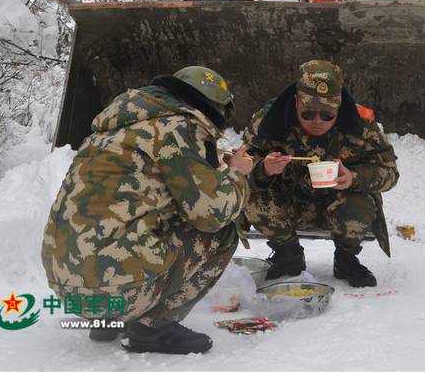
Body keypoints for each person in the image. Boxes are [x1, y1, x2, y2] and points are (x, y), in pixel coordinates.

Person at [41, 66, 252, 354]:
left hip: (69, 292)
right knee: (226, 228)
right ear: (213, 108)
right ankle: (153, 328)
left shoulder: (114, 130)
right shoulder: (179, 126)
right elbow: (212, 212)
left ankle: (106, 321)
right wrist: (238, 175)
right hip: (118, 292)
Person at [242, 60, 399, 288]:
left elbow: (390, 172)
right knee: (251, 197)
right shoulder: (269, 120)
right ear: (296, 103)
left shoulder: (362, 125)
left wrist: (354, 178)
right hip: (288, 203)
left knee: (362, 202)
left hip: (338, 203)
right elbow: (239, 169)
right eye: (308, 114)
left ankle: (345, 259)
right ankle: (289, 256)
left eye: (327, 115)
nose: (317, 121)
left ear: (339, 107)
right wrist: (263, 169)